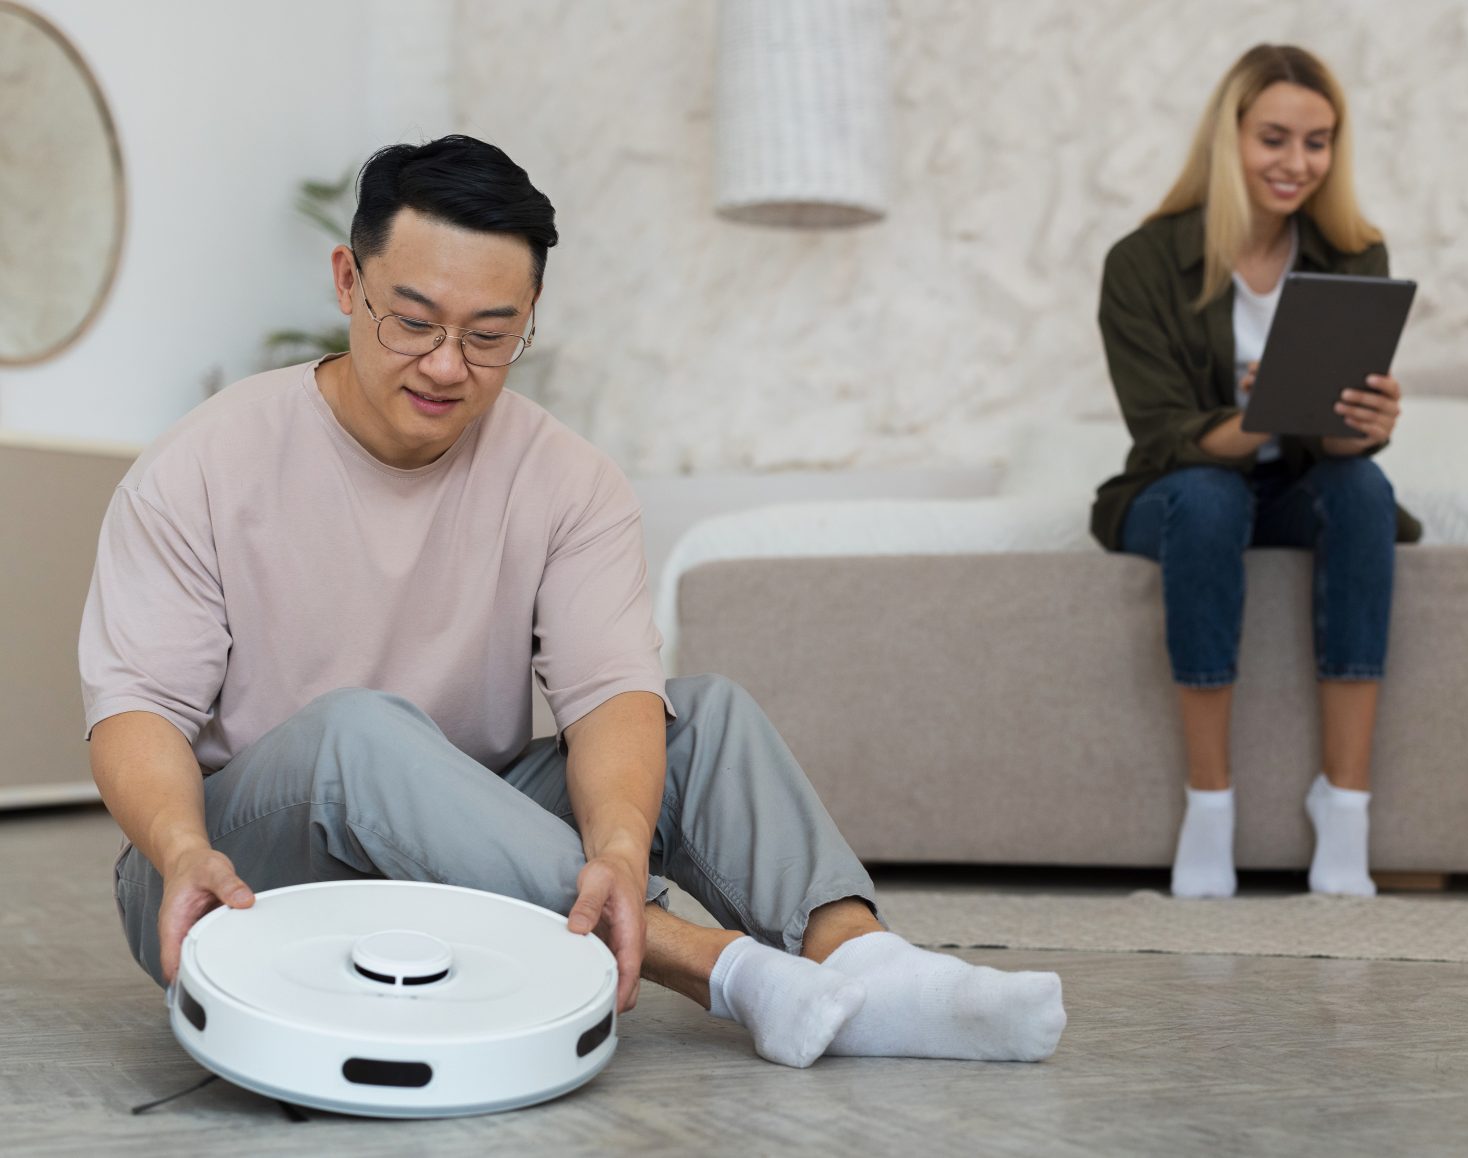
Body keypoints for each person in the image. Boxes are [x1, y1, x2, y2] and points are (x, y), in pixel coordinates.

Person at [81, 135, 1065, 1070]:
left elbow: (607, 694)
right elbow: (137, 712)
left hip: (470, 834)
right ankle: (714, 966)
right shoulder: (205, 464)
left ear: (531, 320)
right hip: (235, 871)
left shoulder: (567, 479)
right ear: (348, 281)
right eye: (412, 322)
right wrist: (178, 848)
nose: (444, 366)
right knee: (360, 735)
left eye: (488, 335)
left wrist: (621, 848)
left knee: (703, 720)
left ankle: (865, 967)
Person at [1090, 45, 1422, 900]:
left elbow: (1334, 446)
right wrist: (1258, 415)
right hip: (1181, 488)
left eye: (1317, 143)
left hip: (1299, 486)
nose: (1296, 163)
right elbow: (1163, 435)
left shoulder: (1355, 253)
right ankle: (1211, 807)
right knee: (1206, 496)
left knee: (1364, 491)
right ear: (1227, 138)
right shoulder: (1142, 263)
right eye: (1274, 138)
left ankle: (1344, 806)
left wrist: (1363, 429)